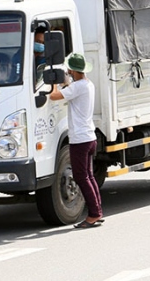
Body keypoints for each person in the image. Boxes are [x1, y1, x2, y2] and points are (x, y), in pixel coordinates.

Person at [49, 53, 102, 228]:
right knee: (89, 176)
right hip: (89, 136)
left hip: (80, 139)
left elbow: (54, 96)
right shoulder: (87, 84)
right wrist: (66, 83)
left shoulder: (77, 87)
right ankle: (97, 211)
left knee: (81, 177)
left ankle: (94, 214)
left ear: (73, 70)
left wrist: (54, 83)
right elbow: (72, 89)